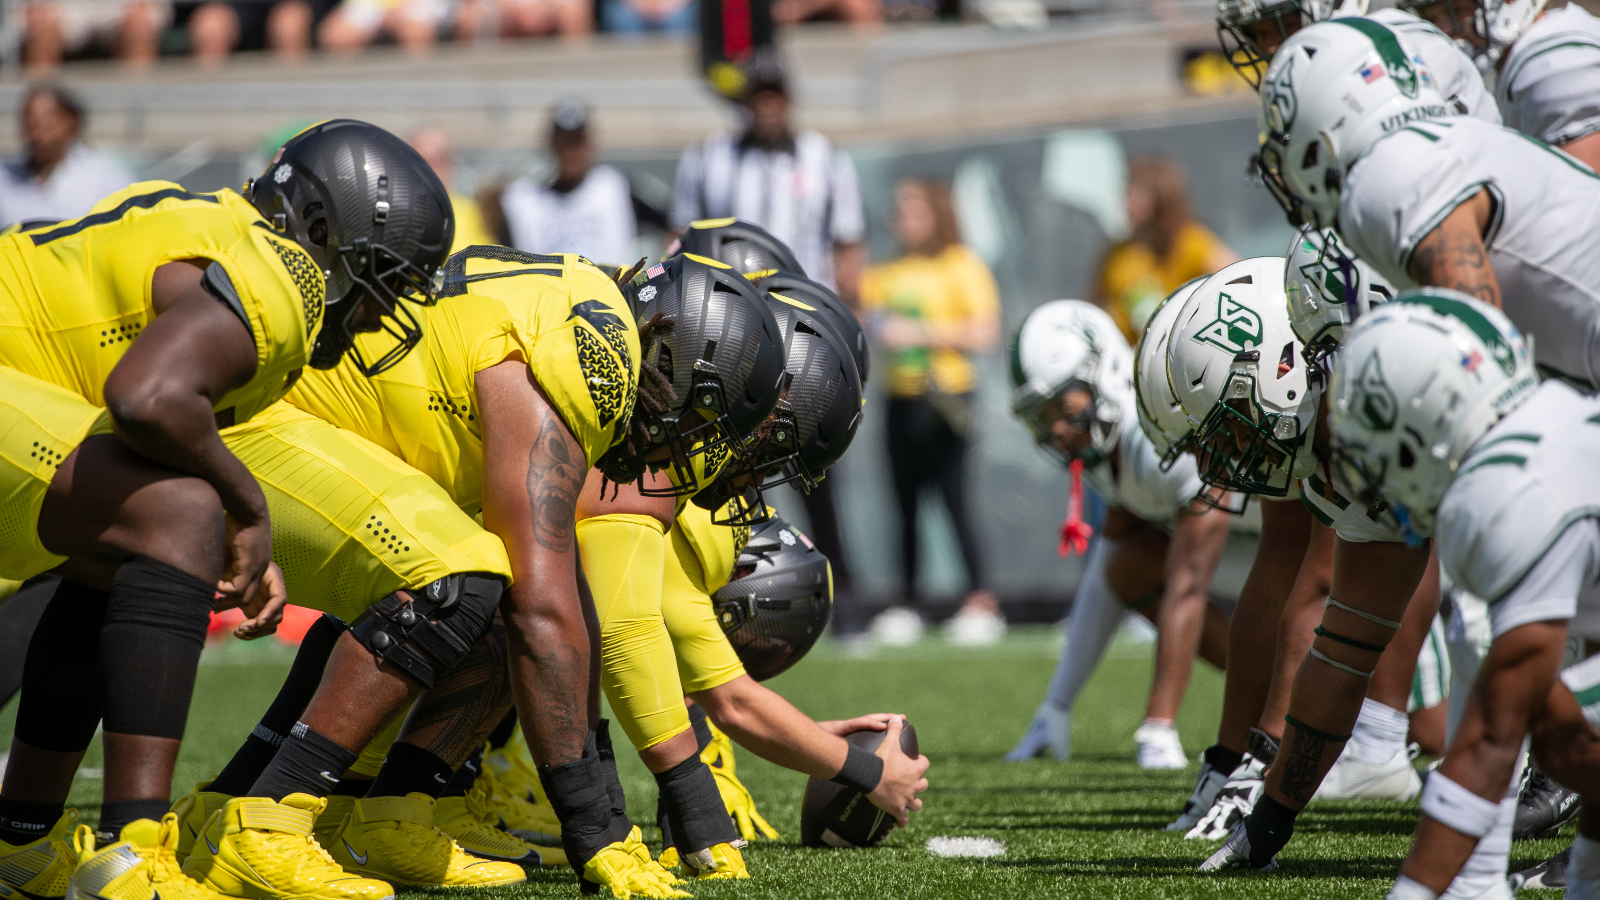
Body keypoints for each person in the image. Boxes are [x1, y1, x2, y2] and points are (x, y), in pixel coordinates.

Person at [0, 119, 452, 900]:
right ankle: (133, 851)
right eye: (383, 279)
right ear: (321, 232)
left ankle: (21, 837)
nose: (381, 314)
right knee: (178, 515)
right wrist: (250, 511)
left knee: (126, 548)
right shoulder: (277, 278)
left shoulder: (215, 227)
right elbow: (146, 399)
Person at [1323, 292, 1600, 900]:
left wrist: (1415, 891)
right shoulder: (1558, 415)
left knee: (1550, 715)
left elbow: (1491, 737)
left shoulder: (1497, 492)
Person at [1005, 298, 1234, 768]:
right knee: (1127, 565)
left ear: (1103, 369)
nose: (1056, 429)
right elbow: (1107, 573)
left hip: (1330, 579)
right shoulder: (1107, 450)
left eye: (1060, 406)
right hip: (1268, 573)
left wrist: (1158, 726)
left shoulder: (1154, 439)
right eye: (1041, 416)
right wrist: (1058, 704)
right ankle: (1281, 689)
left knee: (1423, 731)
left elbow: (1188, 583)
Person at [858, 178, 1001, 645]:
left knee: (956, 499)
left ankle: (981, 601)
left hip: (948, 397)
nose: (901, 219)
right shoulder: (886, 272)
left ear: (937, 213)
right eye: (898, 210)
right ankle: (908, 604)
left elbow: (985, 332)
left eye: (912, 209)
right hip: (899, 397)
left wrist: (917, 334)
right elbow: (864, 316)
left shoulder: (961, 264)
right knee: (904, 505)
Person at [670, 52, 865, 299]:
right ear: (743, 102)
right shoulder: (709, 156)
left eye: (774, 97)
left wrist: (851, 300)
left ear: (789, 100)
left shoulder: (824, 156)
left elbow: (849, 242)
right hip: (730, 303)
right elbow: (679, 235)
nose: (767, 107)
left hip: (809, 304)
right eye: (758, 98)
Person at [1093, 156, 1237, 344]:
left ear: (1161, 198)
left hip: (1180, 355)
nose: (1125, 204)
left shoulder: (1192, 243)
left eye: (1132, 195)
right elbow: (1090, 308)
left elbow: (1238, 282)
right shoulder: (1118, 252)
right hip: (1128, 359)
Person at [501, 102, 639, 266]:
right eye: (564, 144)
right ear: (551, 145)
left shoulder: (613, 188)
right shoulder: (525, 202)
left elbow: (670, 224)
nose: (571, 153)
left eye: (577, 143)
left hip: (609, 289)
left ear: (590, 144)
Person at [0, 86, 132, 230]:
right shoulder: (5, 182)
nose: (36, 137)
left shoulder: (109, 180)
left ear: (70, 122)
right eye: (30, 127)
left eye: (46, 127)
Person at [410, 127, 496, 253]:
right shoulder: (395, 212)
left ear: (452, 164)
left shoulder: (473, 212)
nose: (429, 171)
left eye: (437, 162)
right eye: (421, 162)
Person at [20, 0, 167, 68]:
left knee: (139, 29)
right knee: (41, 32)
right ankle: (43, 109)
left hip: (124, 6)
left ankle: (134, 116)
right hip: (64, 6)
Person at [186, 0, 319, 65]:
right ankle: (214, 109)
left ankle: (290, 105)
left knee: (289, 27)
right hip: (236, 4)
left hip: (297, 4)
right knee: (211, 28)